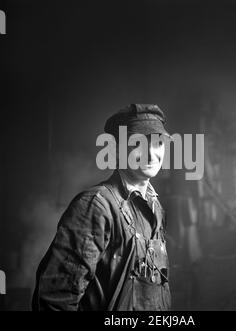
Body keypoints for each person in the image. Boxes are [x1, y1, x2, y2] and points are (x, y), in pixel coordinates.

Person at [32, 104, 172, 311]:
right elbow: (54, 299)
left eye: (157, 143)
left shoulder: (154, 206)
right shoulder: (96, 205)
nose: (150, 154)